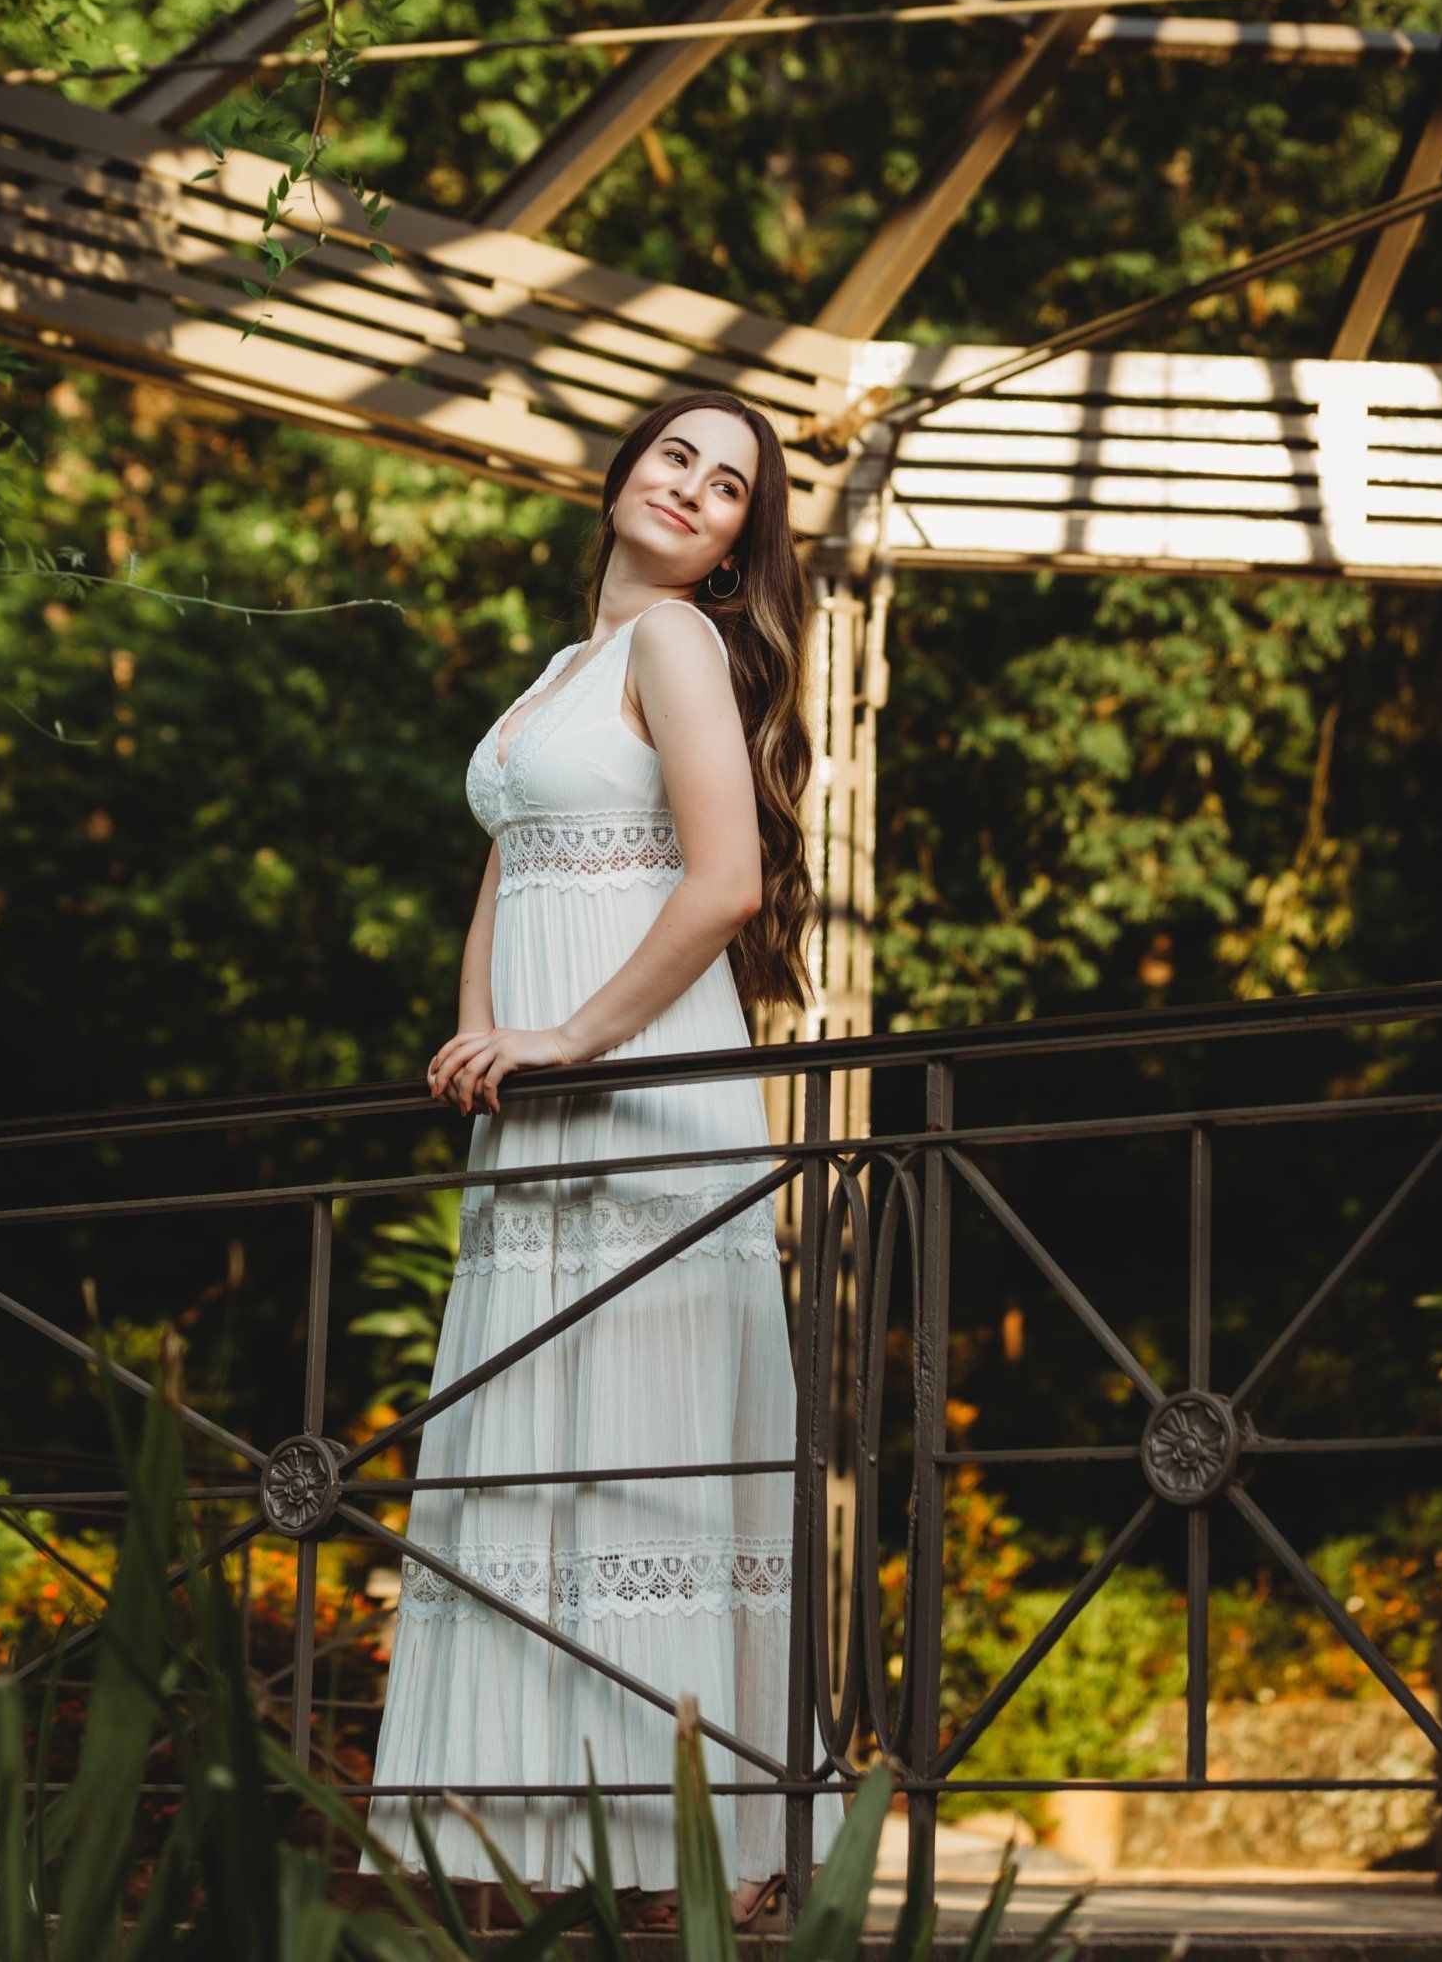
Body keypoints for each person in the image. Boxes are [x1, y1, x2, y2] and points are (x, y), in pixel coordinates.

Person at [360, 389, 843, 1922]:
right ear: (625, 471)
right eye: (676, 455)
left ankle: (683, 1867)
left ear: (736, 545)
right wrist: (478, 1029)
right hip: (539, 1122)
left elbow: (721, 883)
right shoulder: (565, 670)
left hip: (646, 1094)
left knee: (643, 1471)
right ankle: (543, 1846)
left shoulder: (677, 645)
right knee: (543, 1464)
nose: (695, 487)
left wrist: (569, 1038)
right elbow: (511, 862)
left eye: (731, 486)